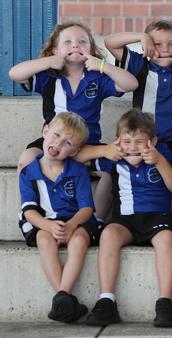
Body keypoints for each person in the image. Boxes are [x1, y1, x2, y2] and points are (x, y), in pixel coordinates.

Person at [9, 21, 138, 220]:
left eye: (82, 42)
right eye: (67, 42)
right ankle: (27, 214)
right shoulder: (49, 77)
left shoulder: (96, 78)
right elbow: (14, 73)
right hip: (54, 141)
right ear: (55, 50)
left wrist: (103, 65)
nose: (75, 45)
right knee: (26, 158)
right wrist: (48, 62)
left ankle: (97, 220)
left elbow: (131, 84)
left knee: (110, 168)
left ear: (92, 50)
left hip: (86, 143)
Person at [84, 110, 172, 327]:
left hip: (158, 217)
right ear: (118, 141)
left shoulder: (163, 155)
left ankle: (165, 302)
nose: (133, 147)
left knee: (167, 238)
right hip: (125, 219)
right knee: (108, 234)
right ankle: (106, 300)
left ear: (153, 141)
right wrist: (106, 150)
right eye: (126, 141)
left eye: (140, 141)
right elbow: (77, 156)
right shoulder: (114, 160)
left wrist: (159, 161)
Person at [18, 112, 101, 323]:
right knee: (44, 240)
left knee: (80, 240)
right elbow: (28, 211)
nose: (58, 143)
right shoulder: (29, 172)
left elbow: (86, 209)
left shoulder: (78, 171)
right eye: (55, 135)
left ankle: (61, 297)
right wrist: (47, 225)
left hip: (76, 221)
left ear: (75, 150)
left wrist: (72, 225)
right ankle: (64, 299)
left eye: (67, 143)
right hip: (42, 221)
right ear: (45, 131)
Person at [104, 19, 172, 145]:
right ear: (146, 46)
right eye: (157, 44)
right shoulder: (140, 65)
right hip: (145, 142)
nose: (165, 50)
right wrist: (141, 36)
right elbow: (110, 42)